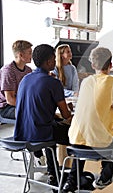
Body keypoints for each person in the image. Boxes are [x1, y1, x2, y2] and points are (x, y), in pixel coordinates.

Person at [62, 47, 113, 192]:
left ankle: (71, 181)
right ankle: (105, 176)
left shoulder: (86, 82)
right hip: (100, 145)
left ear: (93, 65)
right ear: (110, 65)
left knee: (86, 136)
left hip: (74, 141)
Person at [13, 44, 72, 189]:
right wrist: (68, 109)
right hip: (42, 133)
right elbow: (66, 115)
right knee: (77, 135)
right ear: (48, 62)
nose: (55, 61)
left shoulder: (25, 79)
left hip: (22, 133)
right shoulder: (53, 82)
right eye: (53, 58)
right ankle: (72, 177)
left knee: (51, 126)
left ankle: (54, 174)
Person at [0, 40, 32, 119]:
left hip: (21, 103)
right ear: (21, 55)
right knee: (34, 113)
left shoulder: (28, 70)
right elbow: (10, 99)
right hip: (6, 107)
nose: (32, 55)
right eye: (30, 52)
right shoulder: (8, 70)